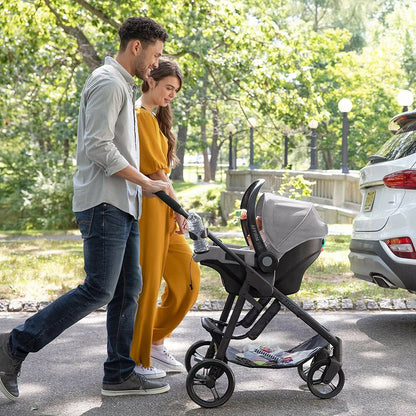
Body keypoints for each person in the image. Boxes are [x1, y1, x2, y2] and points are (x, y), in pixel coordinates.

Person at [0, 16, 172, 400]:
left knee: (130, 289)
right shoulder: (109, 83)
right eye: (155, 55)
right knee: (99, 289)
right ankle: (13, 346)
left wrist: (143, 188)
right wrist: (144, 181)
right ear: (135, 47)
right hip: (104, 203)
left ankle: (119, 374)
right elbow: (98, 146)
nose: (155, 64)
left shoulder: (124, 87)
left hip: (123, 204)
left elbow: (117, 146)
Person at [130, 59, 201, 379]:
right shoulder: (140, 116)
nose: (171, 94)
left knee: (188, 279)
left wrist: (176, 210)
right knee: (148, 285)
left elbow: (163, 173)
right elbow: (156, 172)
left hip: (167, 211)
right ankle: (139, 356)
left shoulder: (155, 119)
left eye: (175, 90)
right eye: (168, 87)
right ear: (151, 81)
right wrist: (179, 208)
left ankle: (154, 341)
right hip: (152, 212)